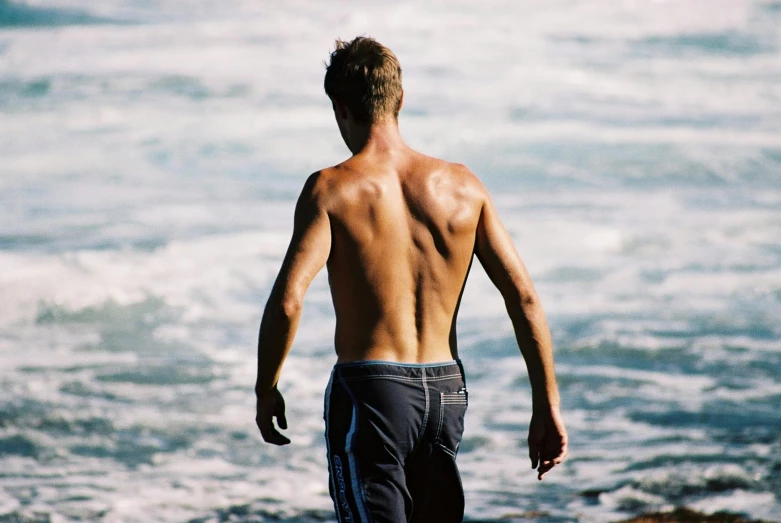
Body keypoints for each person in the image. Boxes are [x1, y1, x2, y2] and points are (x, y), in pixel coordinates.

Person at [255, 36, 567, 523]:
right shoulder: (464, 185)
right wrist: (546, 405)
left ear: (340, 108)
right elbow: (523, 297)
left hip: (373, 390)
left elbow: (289, 301)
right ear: (400, 99)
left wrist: (265, 386)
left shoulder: (331, 188)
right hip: (446, 391)